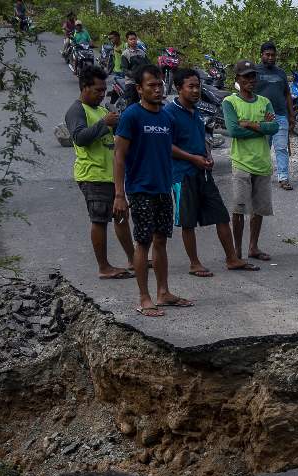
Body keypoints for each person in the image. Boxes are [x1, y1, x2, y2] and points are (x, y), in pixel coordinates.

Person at [113, 64, 193, 317]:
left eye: (160, 85)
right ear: (139, 89)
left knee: (161, 241)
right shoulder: (131, 116)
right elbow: (119, 155)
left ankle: (163, 292)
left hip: (163, 188)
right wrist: (119, 194)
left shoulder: (166, 117)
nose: (158, 90)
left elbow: (166, 148)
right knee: (143, 242)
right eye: (152, 85)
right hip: (140, 190)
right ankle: (144, 297)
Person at [168, 67, 256, 276]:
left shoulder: (196, 111)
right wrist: (192, 158)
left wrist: (207, 155)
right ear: (179, 88)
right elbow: (167, 146)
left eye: (197, 86)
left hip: (203, 173)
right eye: (191, 87)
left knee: (221, 215)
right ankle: (194, 263)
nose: (196, 91)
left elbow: (202, 139)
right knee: (188, 221)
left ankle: (232, 258)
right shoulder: (169, 114)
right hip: (182, 174)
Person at [66, 65, 134, 280]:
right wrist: (104, 124)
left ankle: (133, 259)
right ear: (84, 88)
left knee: (121, 216)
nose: (102, 93)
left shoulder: (102, 109)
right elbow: (79, 138)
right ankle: (104, 267)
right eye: (97, 90)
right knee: (99, 220)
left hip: (111, 175)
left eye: (104, 90)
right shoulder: (77, 110)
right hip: (92, 174)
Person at [222, 60, 280, 261]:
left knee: (259, 208)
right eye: (246, 76)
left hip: (262, 161)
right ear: (237, 78)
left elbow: (275, 127)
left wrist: (250, 125)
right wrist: (262, 126)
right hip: (241, 162)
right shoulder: (230, 102)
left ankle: (253, 247)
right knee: (239, 208)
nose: (250, 80)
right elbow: (233, 130)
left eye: (252, 76)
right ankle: (237, 251)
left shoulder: (264, 101)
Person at [252, 41, 296, 190]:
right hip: (262, 117)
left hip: (280, 115)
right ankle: (260, 177)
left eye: (273, 55)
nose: (271, 57)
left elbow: (287, 94)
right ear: (261, 55)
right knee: (263, 148)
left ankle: (283, 178)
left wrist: (292, 115)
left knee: (281, 148)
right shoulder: (254, 71)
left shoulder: (281, 73)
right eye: (267, 55)